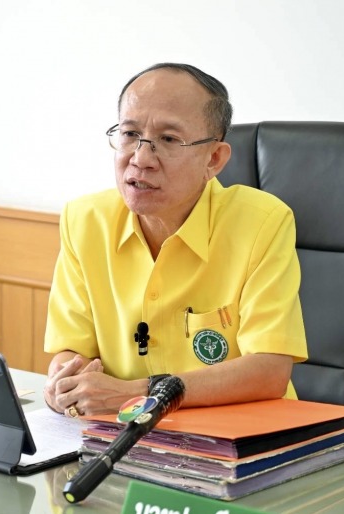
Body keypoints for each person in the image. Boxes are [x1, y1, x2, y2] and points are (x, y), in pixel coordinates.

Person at [43, 63, 308, 418]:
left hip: (240, 439)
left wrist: (140, 395)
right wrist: (66, 383)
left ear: (214, 158)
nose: (140, 158)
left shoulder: (262, 223)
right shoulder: (85, 220)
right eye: (130, 134)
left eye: (168, 139)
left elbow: (269, 370)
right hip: (124, 438)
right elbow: (71, 351)